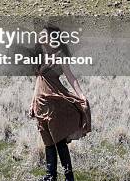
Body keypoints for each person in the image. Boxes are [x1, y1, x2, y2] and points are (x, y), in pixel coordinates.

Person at [29, 25, 91, 181]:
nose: (40, 37)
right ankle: (51, 176)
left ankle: (69, 177)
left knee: (59, 141)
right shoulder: (39, 55)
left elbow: (71, 77)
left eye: (43, 35)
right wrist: (32, 103)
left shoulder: (59, 55)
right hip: (40, 104)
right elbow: (38, 80)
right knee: (47, 141)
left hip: (54, 102)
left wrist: (81, 95)